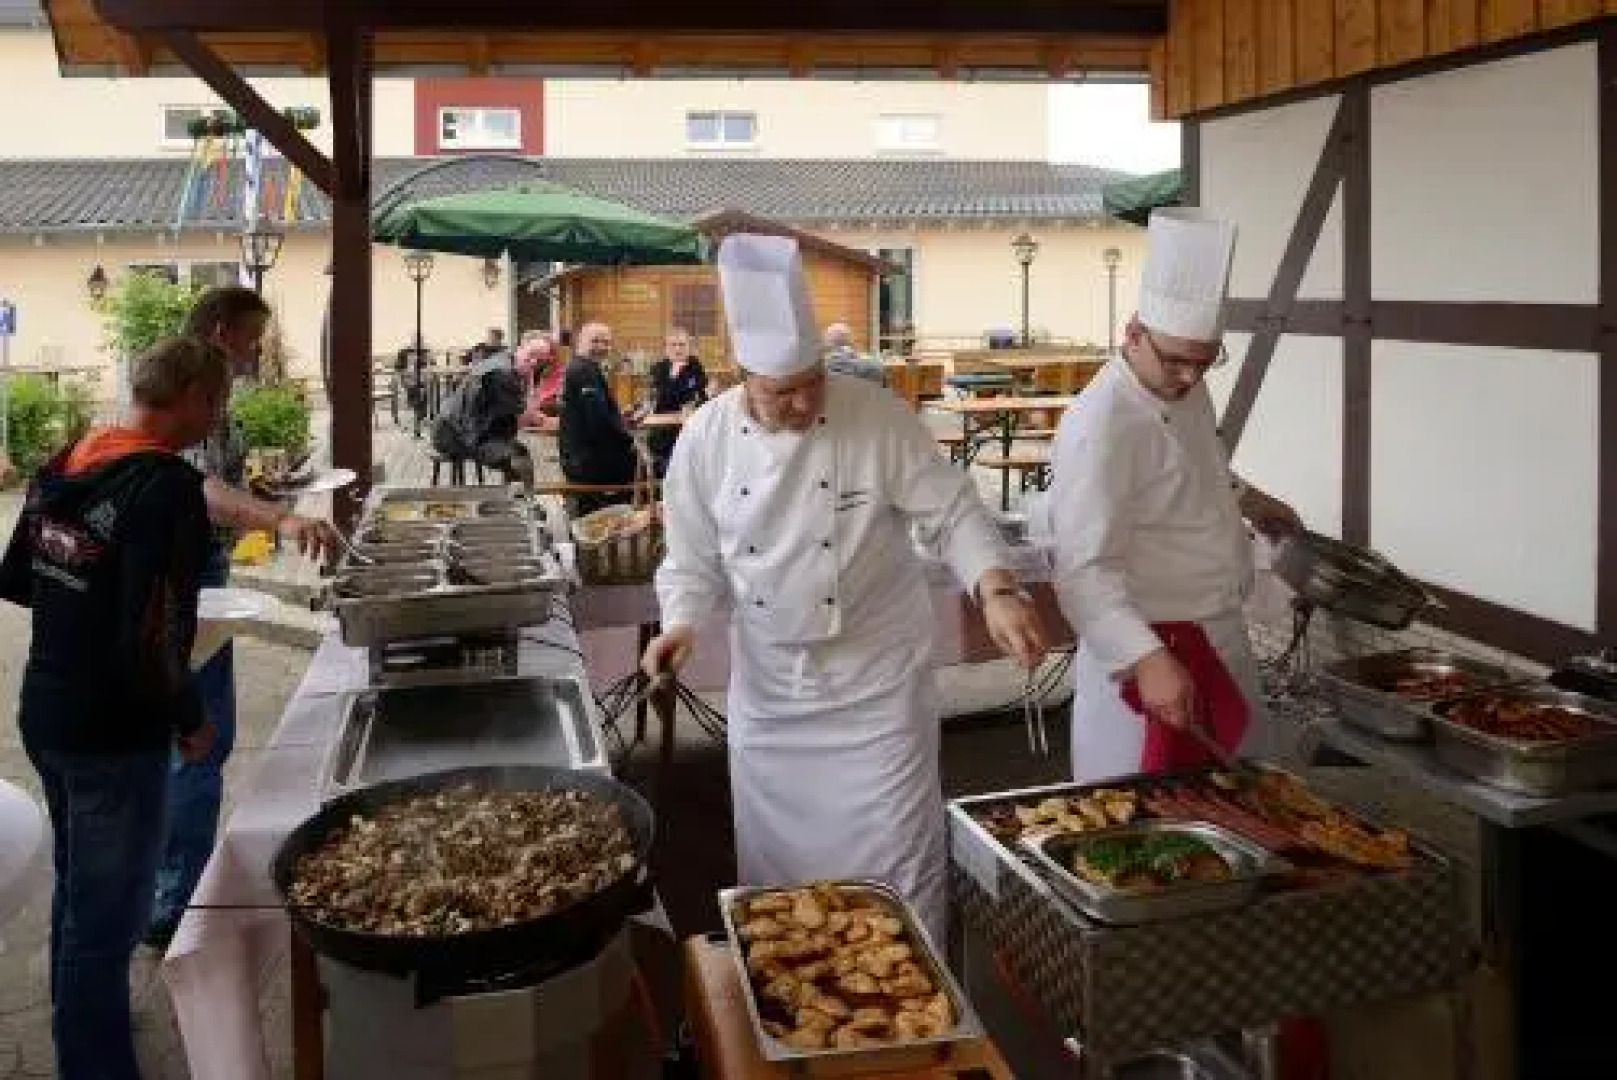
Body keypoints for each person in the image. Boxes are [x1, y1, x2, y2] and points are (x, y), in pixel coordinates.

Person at [641, 234, 1048, 943]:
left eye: (811, 382)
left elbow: (951, 509)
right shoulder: (704, 439)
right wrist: (680, 625)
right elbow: (691, 561)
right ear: (741, 375)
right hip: (774, 699)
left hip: (876, 691)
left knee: (898, 866)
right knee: (779, 883)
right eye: (779, 392)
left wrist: (997, 589)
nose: (801, 403)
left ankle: (916, 1028)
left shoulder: (873, 414)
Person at [0, 336, 227, 1080]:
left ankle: (81, 1018)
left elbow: (20, 581)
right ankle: (94, 1063)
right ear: (191, 394)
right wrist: (191, 719)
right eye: (215, 402)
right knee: (110, 918)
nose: (216, 418)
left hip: (46, 707)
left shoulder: (67, 458)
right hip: (112, 730)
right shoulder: (162, 487)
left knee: (81, 883)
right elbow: (156, 630)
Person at [1041, 208, 1302, 785]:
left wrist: (1249, 498)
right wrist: (1146, 658)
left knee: (1238, 802)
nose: (1189, 378)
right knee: (1144, 820)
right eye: (1178, 360)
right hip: (1151, 651)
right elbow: (1082, 572)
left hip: (1218, 637)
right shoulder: (1100, 426)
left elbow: (1196, 464)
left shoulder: (1182, 386)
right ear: (1132, 334)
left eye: (1204, 363)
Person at [146, 285, 341, 949]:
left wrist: (262, 493)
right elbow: (196, 488)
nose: (258, 351)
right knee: (198, 741)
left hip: (198, 574)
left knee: (196, 740)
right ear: (223, 329)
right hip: (183, 580)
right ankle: (180, 901)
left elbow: (214, 479)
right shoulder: (191, 380)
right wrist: (277, 517)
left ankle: (172, 886)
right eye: (254, 337)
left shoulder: (194, 379)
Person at [559, 321, 640, 517]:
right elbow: (599, 425)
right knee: (652, 468)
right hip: (586, 463)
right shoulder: (583, 371)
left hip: (579, 457)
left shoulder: (584, 366)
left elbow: (596, 414)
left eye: (606, 342)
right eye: (595, 341)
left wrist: (621, 417)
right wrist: (629, 439)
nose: (602, 347)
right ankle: (619, 526)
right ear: (580, 341)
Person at [431, 344, 536, 487]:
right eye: (532, 357)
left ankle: (511, 500)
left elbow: (505, 414)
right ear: (521, 351)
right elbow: (523, 416)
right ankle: (522, 502)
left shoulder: (500, 362)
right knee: (519, 459)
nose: (534, 363)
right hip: (453, 436)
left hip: (453, 428)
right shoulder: (502, 372)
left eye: (538, 359)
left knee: (517, 452)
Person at [645, 327, 709, 477]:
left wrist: (687, 394)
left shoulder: (695, 366)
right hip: (663, 430)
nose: (678, 349)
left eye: (682, 344)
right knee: (666, 461)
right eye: (673, 345)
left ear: (689, 347)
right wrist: (674, 377)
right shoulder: (658, 369)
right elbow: (662, 401)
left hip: (689, 427)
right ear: (666, 349)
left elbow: (700, 396)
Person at [821, 321, 886, 385]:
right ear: (850, 340)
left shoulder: (824, 366)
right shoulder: (872, 364)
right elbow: (880, 375)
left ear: (828, 342)